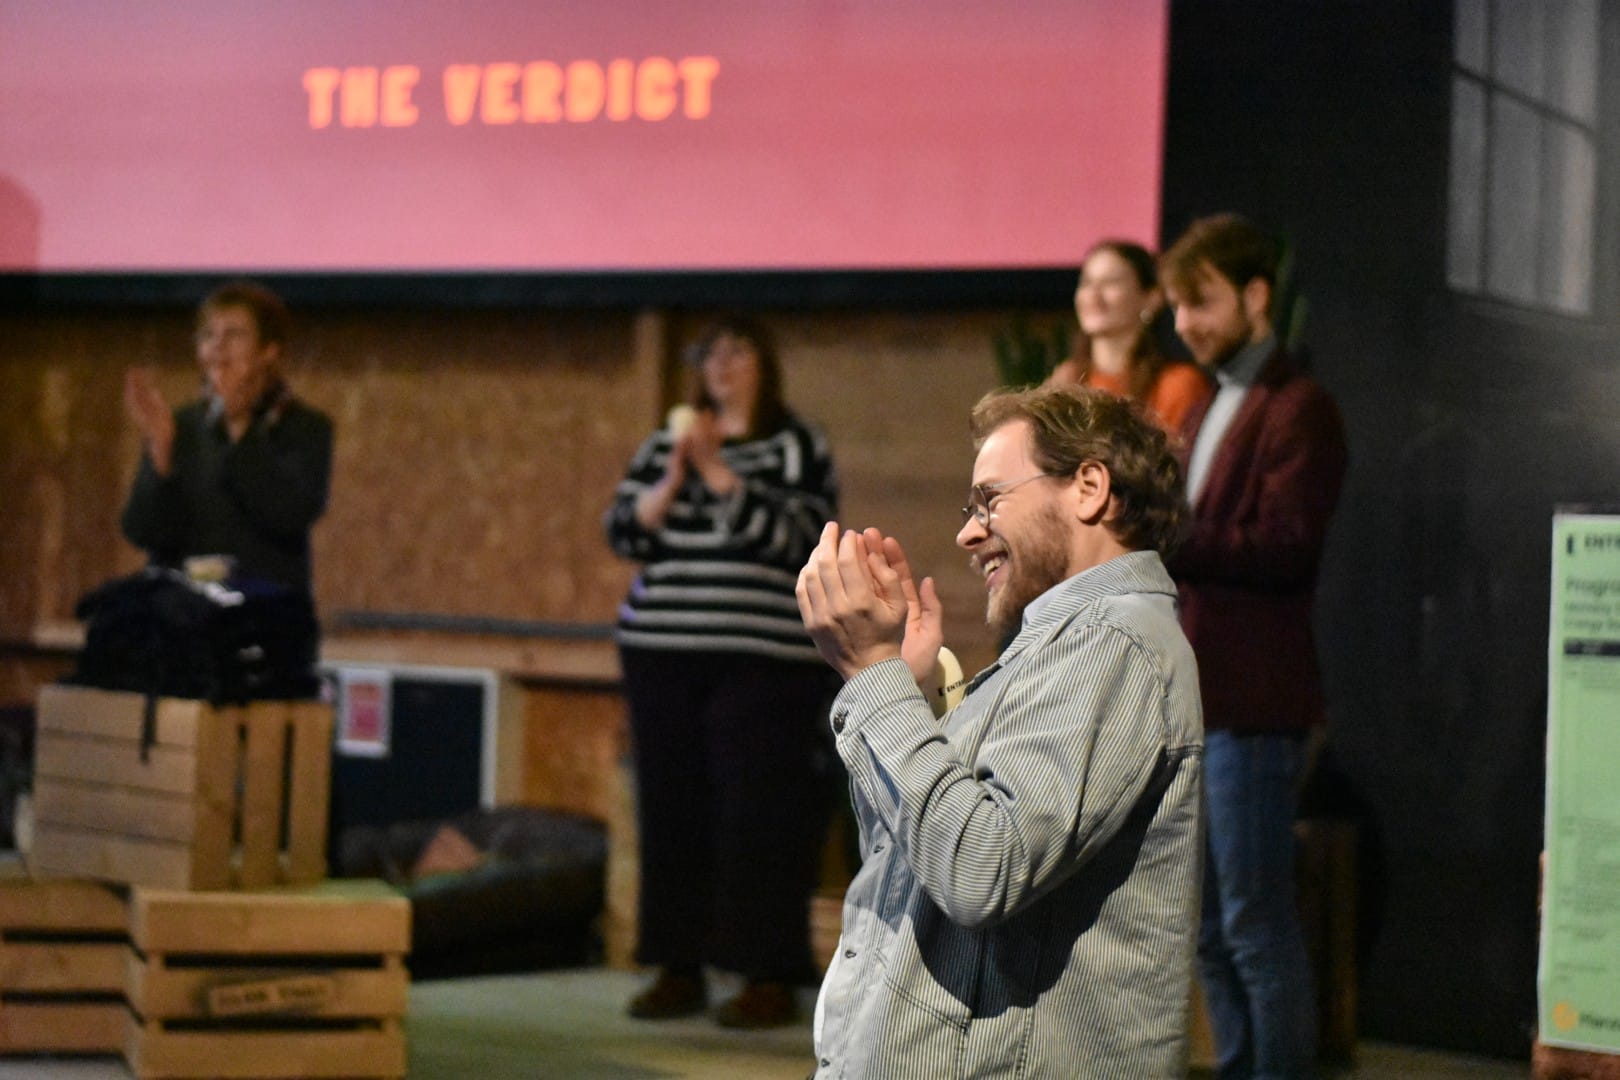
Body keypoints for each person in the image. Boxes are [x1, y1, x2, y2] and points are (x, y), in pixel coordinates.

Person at [797, 384, 1204, 1078]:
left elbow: (981, 870)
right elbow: (909, 872)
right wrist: (902, 693)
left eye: (990, 500)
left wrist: (875, 678)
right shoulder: (1062, 648)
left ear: (1089, 488)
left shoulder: (1115, 643)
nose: (967, 534)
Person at [603, 316, 838, 1029]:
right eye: (711, 354)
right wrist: (677, 473)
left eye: (737, 351)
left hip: (764, 660)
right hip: (662, 650)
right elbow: (623, 530)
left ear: (764, 363)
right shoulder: (666, 442)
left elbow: (803, 537)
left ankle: (766, 973)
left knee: (759, 814)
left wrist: (718, 475)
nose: (722, 365)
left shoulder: (795, 444)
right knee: (671, 808)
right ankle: (677, 966)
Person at [1160, 213, 1348, 1080]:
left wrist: (1167, 537)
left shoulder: (1299, 406)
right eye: (1177, 306)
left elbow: (1286, 546)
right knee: (1204, 927)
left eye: (1201, 302)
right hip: (1195, 702)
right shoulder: (1206, 403)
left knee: (1255, 926)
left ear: (1256, 296)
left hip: (1255, 704)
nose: (1186, 324)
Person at [121, 280, 333, 595]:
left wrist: (238, 423)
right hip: (183, 605)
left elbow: (288, 514)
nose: (218, 345)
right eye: (208, 335)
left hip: (264, 607)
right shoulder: (179, 426)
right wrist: (161, 451)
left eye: (234, 334)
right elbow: (143, 532)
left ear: (268, 351)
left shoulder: (305, 427)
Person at [1046, 239, 1210, 436]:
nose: (1093, 296)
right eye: (1087, 282)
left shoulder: (1179, 386)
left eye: (1110, 282)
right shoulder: (1066, 381)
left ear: (1151, 299)